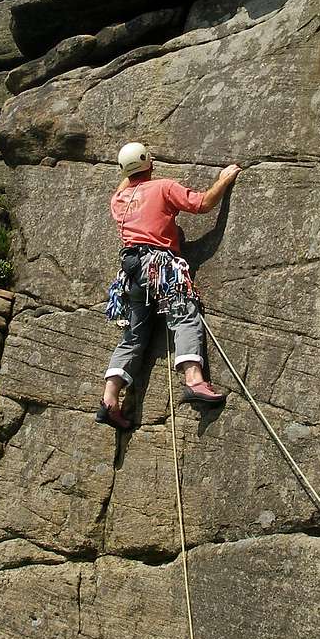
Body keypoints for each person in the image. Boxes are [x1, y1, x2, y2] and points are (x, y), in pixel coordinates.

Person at [97, 141, 240, 430]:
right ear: (149, 164)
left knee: (133, 336)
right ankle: (194, 381)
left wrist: (136, 166)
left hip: (132, 272)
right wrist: (224, 180)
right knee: (185, 316)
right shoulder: (162, 187)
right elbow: (202, 204)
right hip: (158, 265)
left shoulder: (119, 199)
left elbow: (125, 181)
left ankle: (109, 400)